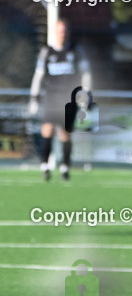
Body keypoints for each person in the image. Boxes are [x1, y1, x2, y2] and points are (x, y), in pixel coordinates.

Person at [29, 18, 91, 180]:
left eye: (64, 31)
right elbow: (38, 76)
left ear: (67, 32)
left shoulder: (75, 51)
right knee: (47, 130)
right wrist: (34, 97)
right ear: (55, 33)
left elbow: (86, 73)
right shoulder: (47, 52)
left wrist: (85, 93)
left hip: (68, 99)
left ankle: (65, 167)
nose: (62, 34)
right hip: (51, 98)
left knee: (65, 134)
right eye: (59, 31)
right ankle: (45, 166)